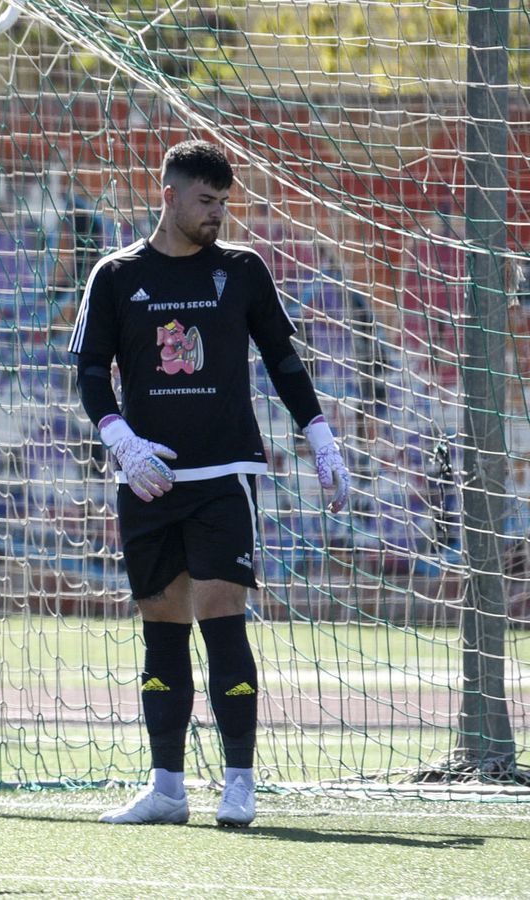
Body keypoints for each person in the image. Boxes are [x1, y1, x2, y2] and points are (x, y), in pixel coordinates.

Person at [69, 139, 351, 827]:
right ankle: (167, 786)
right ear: (167, 196)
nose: (216, 214)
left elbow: (284, 361)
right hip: (148, 479)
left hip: (226, 472)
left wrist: (320, 437)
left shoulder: (242, 270)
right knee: (161, 626)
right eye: (205, 201)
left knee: (223, 614)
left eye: (224, 203)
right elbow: (88, 372)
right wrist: (122, 443)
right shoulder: (115, 275)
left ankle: (240, 780)